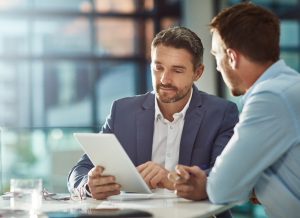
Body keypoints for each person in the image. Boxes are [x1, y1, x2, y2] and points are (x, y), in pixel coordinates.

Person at [68, 27, 238, 212]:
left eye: (177, 70)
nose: (165, 79)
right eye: (158, 68)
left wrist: (171, 179)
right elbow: (80, 170)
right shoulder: (122, 111)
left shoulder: (221, 113)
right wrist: (88, 185)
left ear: (197, 73)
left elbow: (225, 177)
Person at [168, 2, 300, 218]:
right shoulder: (288, 86)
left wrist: (207, 185)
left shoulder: (270, 97)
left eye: (216, 55)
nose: (218, 66)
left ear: (231, 57)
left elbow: (223, 189)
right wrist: (253, 186)